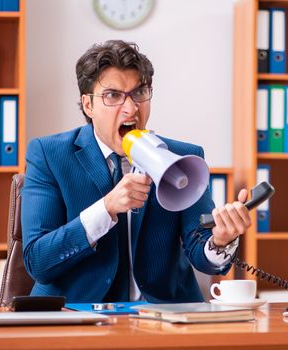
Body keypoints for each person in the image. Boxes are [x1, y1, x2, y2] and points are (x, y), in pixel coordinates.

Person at [21, 40, 251, 303]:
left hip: (163, 319)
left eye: (139, 93)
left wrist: (221, 240)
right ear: (88, 105)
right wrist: (106, 208)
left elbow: (203, 257)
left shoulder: (182, 159)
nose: (131, 109)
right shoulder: (49, 154)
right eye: (113, 95)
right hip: (77, 317)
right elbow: (37, 261)